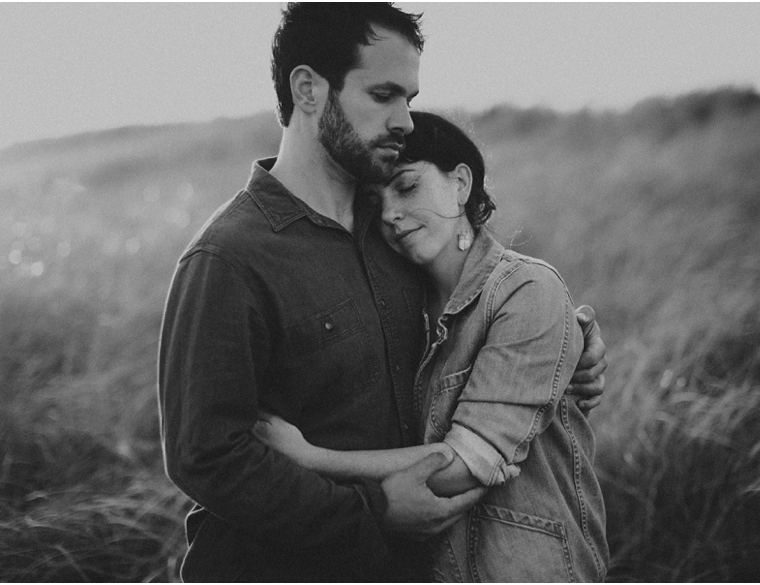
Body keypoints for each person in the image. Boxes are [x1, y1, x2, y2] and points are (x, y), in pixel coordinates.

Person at [157, 3, 608, 582]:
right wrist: (371, 513)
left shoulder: (394, 234)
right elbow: (206, 456)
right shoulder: (228, 258)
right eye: (383, 95)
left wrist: (574, 346)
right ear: (309, 90)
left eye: (410, 100)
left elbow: (479, 319)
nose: (406, 122)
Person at [253, 111, 610, 582]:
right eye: (373, 202)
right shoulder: (400, 308)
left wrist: (310, 461)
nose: (389, 214)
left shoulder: (526, 290)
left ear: (461, 184)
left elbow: (463, 465)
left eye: (406, 187)